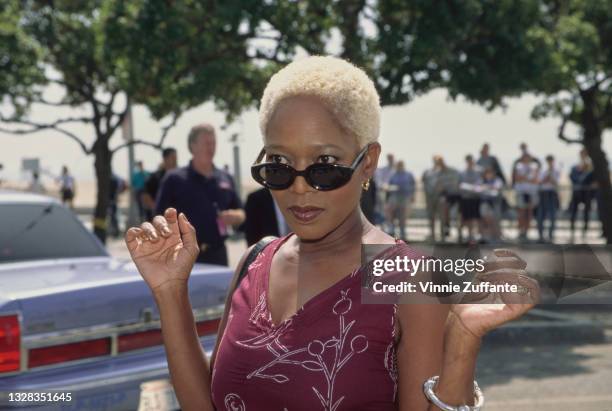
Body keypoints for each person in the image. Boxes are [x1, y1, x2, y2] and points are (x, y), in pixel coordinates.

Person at [125, 56, 537, 410]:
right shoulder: (256, 261)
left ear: (368, 162)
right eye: (279, 166)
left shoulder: (409, 278)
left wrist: (462, 339)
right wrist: (169, 292)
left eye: (325, 166)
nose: (300, 187)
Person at [155, 124, 245, 265]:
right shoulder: (174, 179)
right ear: (192, 146)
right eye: (206, 143)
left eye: (213, 143)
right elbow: (159, 217)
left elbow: (241, 212)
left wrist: (235, 216)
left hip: (219, 255)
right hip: (184, 256)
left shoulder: (225, 177)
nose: (211, 147)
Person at [568, 148, 596, 242]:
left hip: (587, 193)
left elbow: (592, 179)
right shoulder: (575, 167)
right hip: (577, 193)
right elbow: (573, 178)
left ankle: (584, 232)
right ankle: (572, 231)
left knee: (586, 213)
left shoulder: (590, 167)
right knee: (573, 212)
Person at [143, 147, 178, 221]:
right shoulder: (155, 177)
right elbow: (145, 196)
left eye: (176, 158)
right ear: (165, 159)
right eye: (173, 158)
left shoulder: (179, 177)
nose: (175, 161)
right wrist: (156, 209)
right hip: (160, 219)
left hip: (175, 218)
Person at [513, 151, 540, 241]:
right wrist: (527, 178)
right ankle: (521, 231)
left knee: (529, 214)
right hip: (521, 193)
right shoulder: (518, 166)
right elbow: (517, 178)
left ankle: (526, 232)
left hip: (531, 193)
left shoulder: (534, 166)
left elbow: (535, 180)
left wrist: (524, 178)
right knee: (521, 213)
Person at [385, 160, 415, 240]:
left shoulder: (408, 174)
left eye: (400, 165)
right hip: (394, 197)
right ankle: (392, 232)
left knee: (402, 217)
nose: (399, 166)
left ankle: (403, 233)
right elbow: (388, 185)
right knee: (392, 215)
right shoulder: (393, 175)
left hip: (404, 198)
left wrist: (412, 196)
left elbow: (413, 185)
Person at [434, 156, 461, 241]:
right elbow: (438, 186)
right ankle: (445, 230)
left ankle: (459, 234)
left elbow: (455, 183)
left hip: (455, 195)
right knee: (443, 210)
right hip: (445, 196)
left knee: (457, 215)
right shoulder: (438, 173)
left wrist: (445, 186)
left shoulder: (453, 171)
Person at [458, 155, 482, 242]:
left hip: (476, 197)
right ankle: (464, 234)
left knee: (474, 217)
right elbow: (459, 184)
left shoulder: (479, 171)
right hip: (465, 198)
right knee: (466, 218)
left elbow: (481, 183)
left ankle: (472, 235)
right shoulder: (462, 172)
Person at [536, 155, 560, 243]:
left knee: (552, 215)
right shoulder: (543, 171)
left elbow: (555, 182)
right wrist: (547, 177)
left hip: (552, 194)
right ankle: (541, 235)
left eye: (551, 161)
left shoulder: (556, 171)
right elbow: (540, 181)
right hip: (543, 193)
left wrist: (550, 177)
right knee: (541, 215)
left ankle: (550, 235)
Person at [479, 167, 504, 242]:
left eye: (490, 172)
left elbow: (497, 188)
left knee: (495, 220)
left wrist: (487, 187)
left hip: (495, 203)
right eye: (487, 173)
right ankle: (487, 236)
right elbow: (477, 188)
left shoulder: (497, 180)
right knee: (486, 219)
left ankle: (497, 236)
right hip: (485, 203)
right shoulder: (481, 180)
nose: (489, 174)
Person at [422, 157, 440, 241]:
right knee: (431, 216)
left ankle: (441, 234)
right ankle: (432, 233)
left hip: (439, 197)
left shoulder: (441, 172)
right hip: (429, 196)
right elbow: (424, 181)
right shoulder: (428, 171)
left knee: (440, 216)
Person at [108, 173, 127, 238]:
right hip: (114, 200)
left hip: (112, 200)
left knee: (113, 216)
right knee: (115, 215)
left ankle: (115, 232)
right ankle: (115, 231)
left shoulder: (112, 179)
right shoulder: (117, 178)